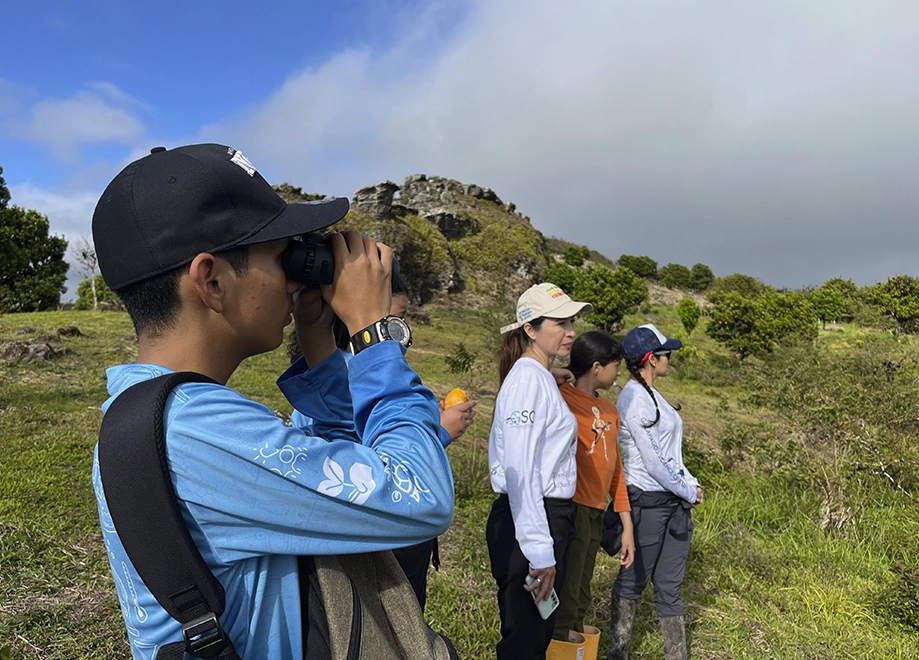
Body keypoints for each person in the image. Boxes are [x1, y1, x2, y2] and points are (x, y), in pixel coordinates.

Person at [89, 143, 455, 659]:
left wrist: (319, 345)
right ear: (211, 280)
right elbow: (420, 495)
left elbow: (349, 466)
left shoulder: (165, 414)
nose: (295, 279)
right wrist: (373, 334)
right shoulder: (199, 433)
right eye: (282, 256)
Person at [288, 276, 477, 610]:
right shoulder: (351, 375)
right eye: (399, 316)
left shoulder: (342, 370)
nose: (406, 327)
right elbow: (373, 465)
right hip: (383, 540)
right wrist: (442, 432)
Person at [486, 282, 593, 659]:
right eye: (560, 323)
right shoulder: (527, 381)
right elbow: (521, 470)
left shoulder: (535, 377)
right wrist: (540, 553)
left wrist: (551, 376)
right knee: (525, 642)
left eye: (572, 322)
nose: (571, 331)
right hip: (534, 520)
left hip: (545, 517)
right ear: (530, 329)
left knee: (534, 635)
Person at [607, 324, 703, 660]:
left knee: (670, 585)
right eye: (666, 354)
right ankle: (618, 653)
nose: (669, 359)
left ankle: (676, 655)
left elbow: (670, 454)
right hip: (647, 502)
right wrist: (687, 491)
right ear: (651, 359)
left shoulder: (653, 394)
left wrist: (690, 483)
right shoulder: (634, 400)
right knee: (633, 580)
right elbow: (653, 463)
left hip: (672, 501)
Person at [552, 331, 635, 658]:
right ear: (597, 367)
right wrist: (554, 375)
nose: (619, 373)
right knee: (567, 591)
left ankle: (576, 649)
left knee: (581, 593)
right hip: (571, 508)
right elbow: (525, 378)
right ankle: (559, 645)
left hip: (597, 512)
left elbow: (616, 470)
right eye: (615, 366)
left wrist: (626, 525)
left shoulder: (610, 411)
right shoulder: (561, 396)